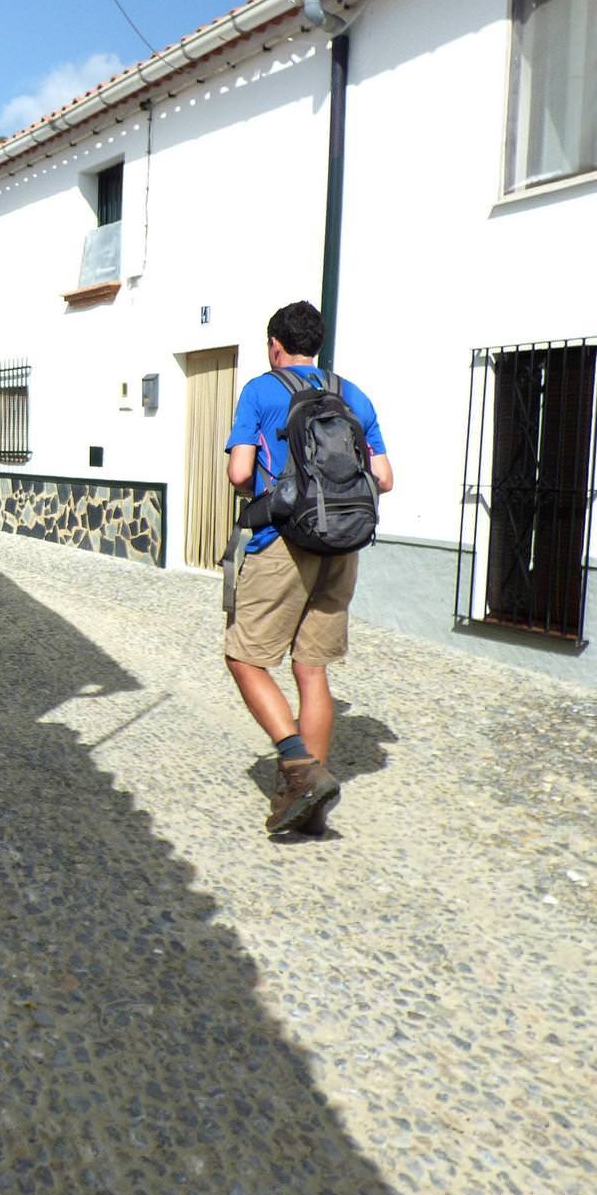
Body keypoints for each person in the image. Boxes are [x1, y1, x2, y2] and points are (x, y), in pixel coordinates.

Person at [223, 301, 393, 835]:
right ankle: (309, 808)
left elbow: (239, 471)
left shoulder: (261, 390)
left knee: (245, 658)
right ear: (316, 344)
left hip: (284, 543)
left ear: (276, 344)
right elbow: (384, 477)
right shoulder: (351, 394)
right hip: (342, 547)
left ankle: (298, 766)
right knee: (311, 667)